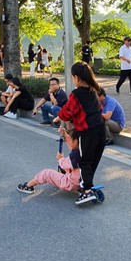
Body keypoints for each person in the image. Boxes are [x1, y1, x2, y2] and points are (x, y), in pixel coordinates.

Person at [52, 62, 106, 205]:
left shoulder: (76, 94)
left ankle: (87, 190)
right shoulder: (93, 90)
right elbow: (98, 108)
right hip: (101, 129)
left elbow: (68, 110)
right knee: (93, 159)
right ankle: (86, 184)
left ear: (76, 77)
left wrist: (58, 118)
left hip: (88, 132)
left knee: (84, 161)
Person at [17, 128, 81, 195]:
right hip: (80, 182)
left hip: (70, 183)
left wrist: (60, 158)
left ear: (76, 141)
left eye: (69, 139)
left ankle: (28, 186)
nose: (68, 141)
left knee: (46, 173)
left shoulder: (75, 156)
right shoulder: (84, 151)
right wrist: (64, 134)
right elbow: (72, 145)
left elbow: (64, 164)